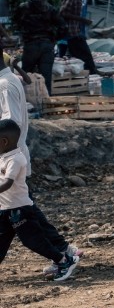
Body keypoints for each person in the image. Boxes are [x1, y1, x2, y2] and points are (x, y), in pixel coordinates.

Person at [0, 119, 80, 282]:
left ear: (4, 142)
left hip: (20, 209)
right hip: (5, 208)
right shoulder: (3, 157)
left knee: (34, 241)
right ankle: (62, 257)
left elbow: (8, 183)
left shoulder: (15, 159)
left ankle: (64, 261)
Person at [11, 0, 63, 93]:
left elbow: (15, 23)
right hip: (46, 46)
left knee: (25, 75)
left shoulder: (23, 7)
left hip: (30, 46)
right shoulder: (51, 9)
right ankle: (47, 103)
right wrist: (54, 40)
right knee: (46, 78)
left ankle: (25, 102)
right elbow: (63, 27)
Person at [58, 0, 101, 76]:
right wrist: (83, 20)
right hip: (72, 33)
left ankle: (83, 80)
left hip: (79, 31)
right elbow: (63, 13)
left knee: (78, 60)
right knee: (87, 59)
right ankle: (92, 77)